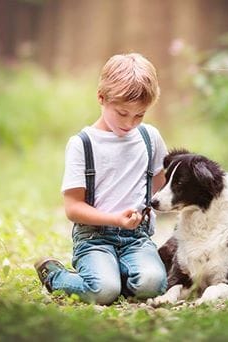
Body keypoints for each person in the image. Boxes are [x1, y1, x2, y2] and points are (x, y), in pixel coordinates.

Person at [35, 53, 168, 305]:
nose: (130, 123)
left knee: (153, 284)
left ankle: (116, 272)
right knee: (102, 291)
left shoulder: (149, 138)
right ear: (101, 98)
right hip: (94, 237)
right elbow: (73, 208)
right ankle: (56, 276)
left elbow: (161, 187)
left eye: (139, 115)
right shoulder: (82, 144)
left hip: (137, 237)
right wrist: (114, 219)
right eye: (122, 113)